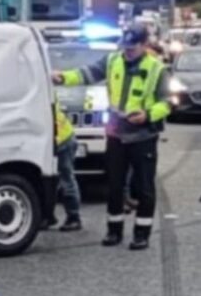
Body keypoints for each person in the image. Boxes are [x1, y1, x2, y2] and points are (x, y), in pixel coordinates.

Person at [53, 24, 170, 250]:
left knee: (144, 187)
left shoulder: (157, 69)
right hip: (117, 133)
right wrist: (62, 78)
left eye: (132, 48)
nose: (128, 52)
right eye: (125, 47)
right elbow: (86, 74)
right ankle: (114, 231)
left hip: (143, 134)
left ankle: (141, 233)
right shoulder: (112, 61)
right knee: (114, 185)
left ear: (144, 45)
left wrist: (147, 115)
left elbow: (167, 102)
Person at [42, 98, 83, 232]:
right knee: (49, 180)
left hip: (62, 140)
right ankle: (47, 217)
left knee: (66, 180)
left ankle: (74, 218)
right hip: (55, 140)